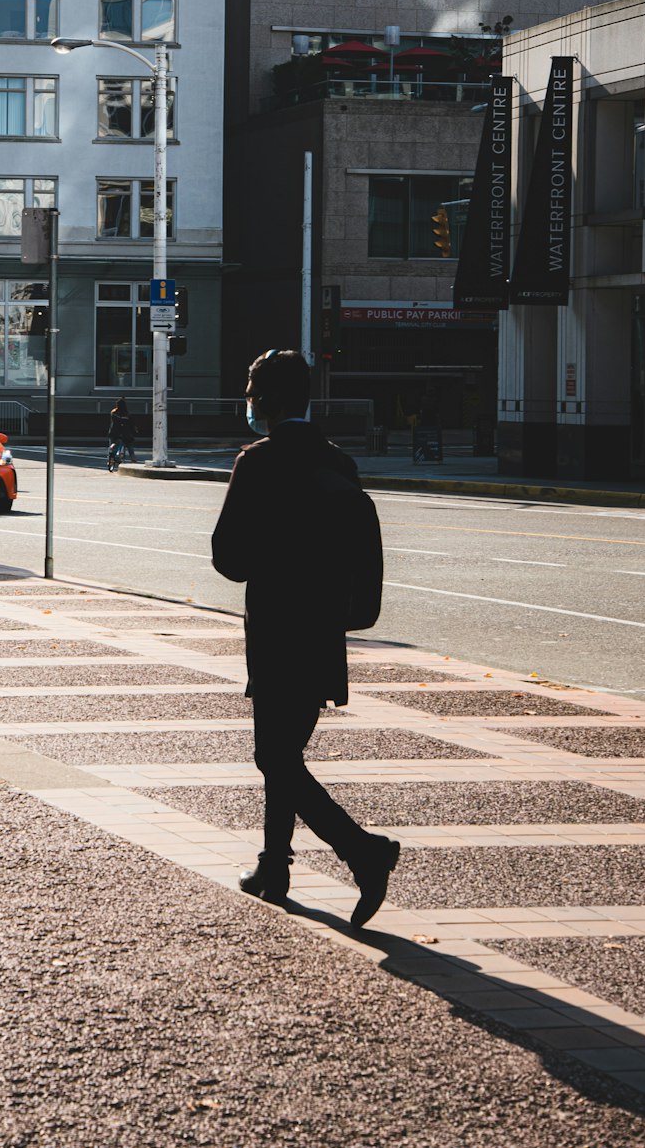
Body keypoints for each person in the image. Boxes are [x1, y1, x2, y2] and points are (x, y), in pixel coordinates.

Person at [211, 348, 399, 929]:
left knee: (274, 755)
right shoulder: (337, 461)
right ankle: (275, 867)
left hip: (274, 628)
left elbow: (229, 559)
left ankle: (363, 850)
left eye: (250, 391)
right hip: (322, 631)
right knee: (284, 753)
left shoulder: (258, 462)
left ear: (263, 401)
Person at [107, 398, 136, 472]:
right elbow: (131, 424)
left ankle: (110, 460)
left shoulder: (113, 413)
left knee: (112, 446)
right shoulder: (127, 414)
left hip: (113, 433)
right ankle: (133, 459)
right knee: (130, 445)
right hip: (124, 433)